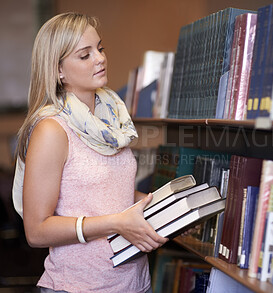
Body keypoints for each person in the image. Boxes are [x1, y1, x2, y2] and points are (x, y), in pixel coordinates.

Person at [12, 12, 168, 293]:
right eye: (85, 55)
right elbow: (36, 231)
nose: (100, 58)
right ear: (58, 70)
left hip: (134, 283)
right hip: (78, 287)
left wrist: (161, 204)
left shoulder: (113, 119)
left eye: (100, 48)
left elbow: (104, 193)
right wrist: (115, 223)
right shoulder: (52, 129)